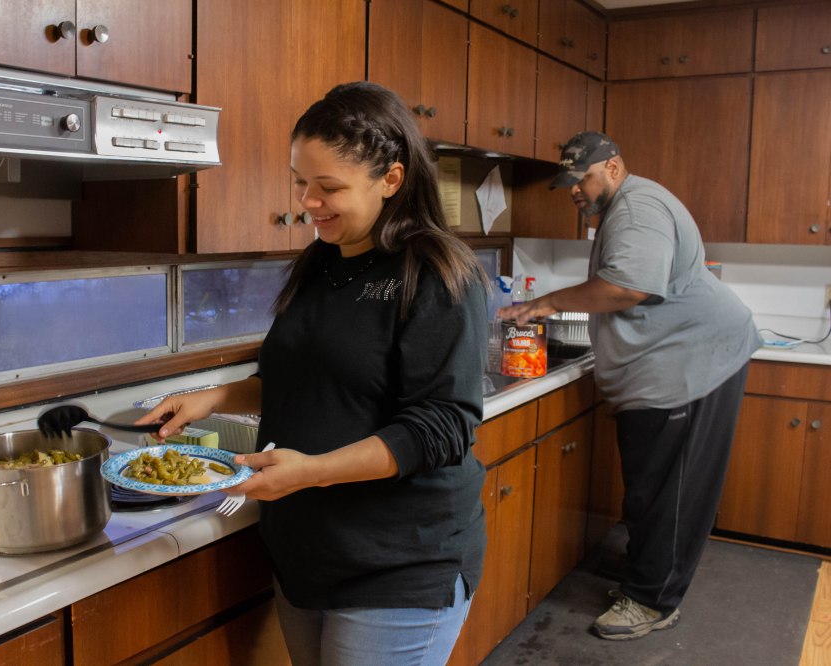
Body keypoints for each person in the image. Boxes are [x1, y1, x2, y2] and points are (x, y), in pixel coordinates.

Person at [136, 81, 490, 665]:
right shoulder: (322, 262)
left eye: (329, 187)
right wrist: (213, 396)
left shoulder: (436, 274)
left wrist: (312, 473)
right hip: (307, 554)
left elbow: (442, 427)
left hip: (398, 565)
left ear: (391, 181)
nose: (309, 201)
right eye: (302, 181)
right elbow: (307, 379)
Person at [501, 131, 762, 641]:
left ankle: (652, 601)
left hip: (692, 367)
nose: (575, 191)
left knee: (672, 491)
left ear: (614, 167)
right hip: (670, 368)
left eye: (583, 179)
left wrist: (549, 303)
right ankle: (647, 574)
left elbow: (628, 287)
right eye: (569, 183)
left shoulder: (637, 209)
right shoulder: (625, 207)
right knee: (651, 487)